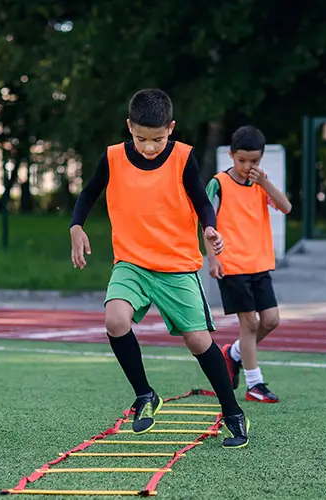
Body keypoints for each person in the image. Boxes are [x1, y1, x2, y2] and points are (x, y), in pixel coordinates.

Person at [69, 89, 249, 448]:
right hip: (132, 263)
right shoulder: (114, 157)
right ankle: (144, 395)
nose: (149, 147)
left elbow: (201, 200)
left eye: (157, 139)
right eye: (140, 139)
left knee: (198, 342)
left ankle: (232, 412)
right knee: (115, 321)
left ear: (171, 128)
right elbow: (89, 193)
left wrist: (209, 227)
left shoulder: (183, 158)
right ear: (129, 128)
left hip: (176, 266)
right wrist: (76, 227)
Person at [204, 125, 292, 403]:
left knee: (271, 320)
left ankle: (233, 354)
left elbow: (286, 207)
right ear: (231, 155)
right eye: (241, 160)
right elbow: (206, 222)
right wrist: (213, 259)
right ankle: (255, 384)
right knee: (250, 324)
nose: (247, 166)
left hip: (260, 263)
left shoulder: (261, 185)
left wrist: (265, 182)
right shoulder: (218, 183)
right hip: (232, 265)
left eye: (254, 161)